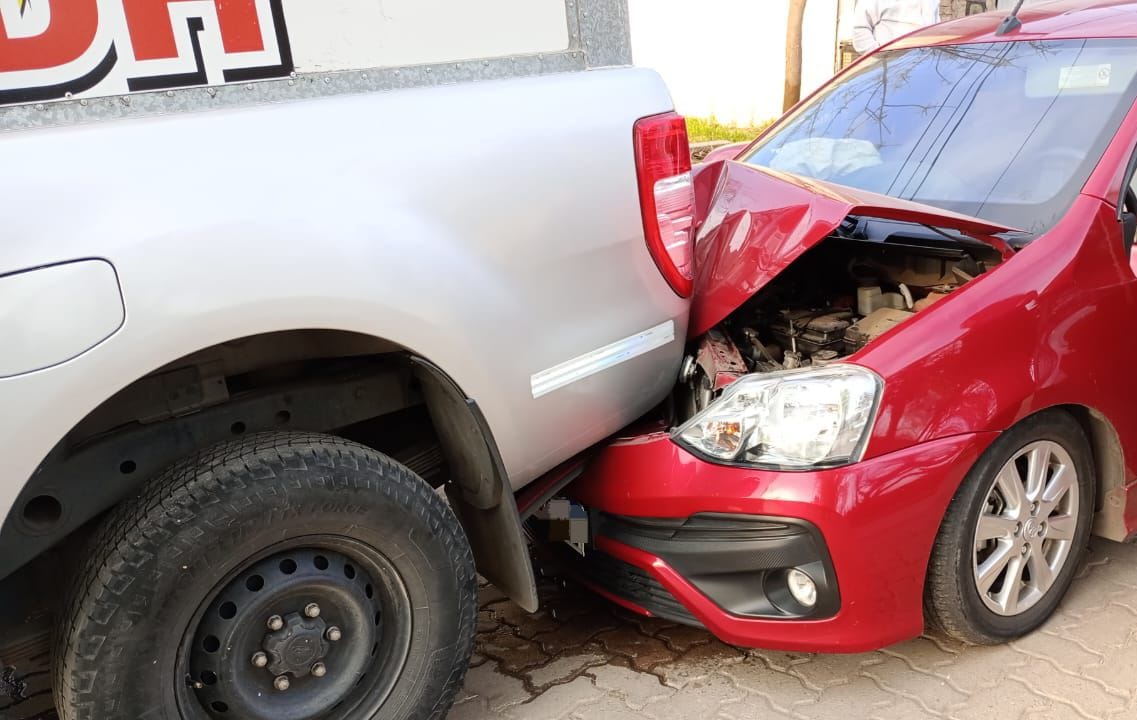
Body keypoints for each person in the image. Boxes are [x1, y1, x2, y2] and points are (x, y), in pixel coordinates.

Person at [851, 0, 941, 54]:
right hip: (890, 68)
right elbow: (860, 29)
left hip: (924, 63)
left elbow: (936, 29)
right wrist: (879, 57)